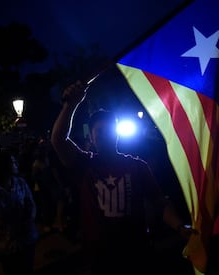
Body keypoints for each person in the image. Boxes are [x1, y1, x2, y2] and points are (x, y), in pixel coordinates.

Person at [51, 80, 193, 275]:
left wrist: (179, 226)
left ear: (116, 135)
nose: (104, 136)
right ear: (91, 138)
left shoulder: (137, 166)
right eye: (99, 132)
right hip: (99, 257)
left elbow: (159, 202)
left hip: (135, 252)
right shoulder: (84, 165)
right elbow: (58, 139)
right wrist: (71, 105)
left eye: (108, 131)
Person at [0, 149, 39, 275]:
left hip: (26, 238)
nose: (16, 163)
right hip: (4, 244)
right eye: (12, 161)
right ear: (3, 165)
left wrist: (27, 221)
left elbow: (31, 204)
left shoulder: (20, 183)